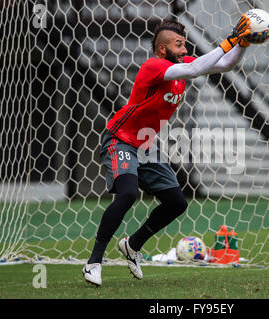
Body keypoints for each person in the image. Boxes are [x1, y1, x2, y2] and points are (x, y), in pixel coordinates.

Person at [83, 14, 251, 286]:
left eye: (184, 44)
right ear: (162, 49)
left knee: (176, 202)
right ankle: (94, 263)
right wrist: (230, 39)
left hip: (146, 143)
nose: (184, 49)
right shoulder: (153, 66)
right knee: (127, 194)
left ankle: (133, 245)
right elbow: (195, 69)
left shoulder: (184, 64)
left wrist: (243, 42)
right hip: (120, 138)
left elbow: (226, 64)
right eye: (179, 44)